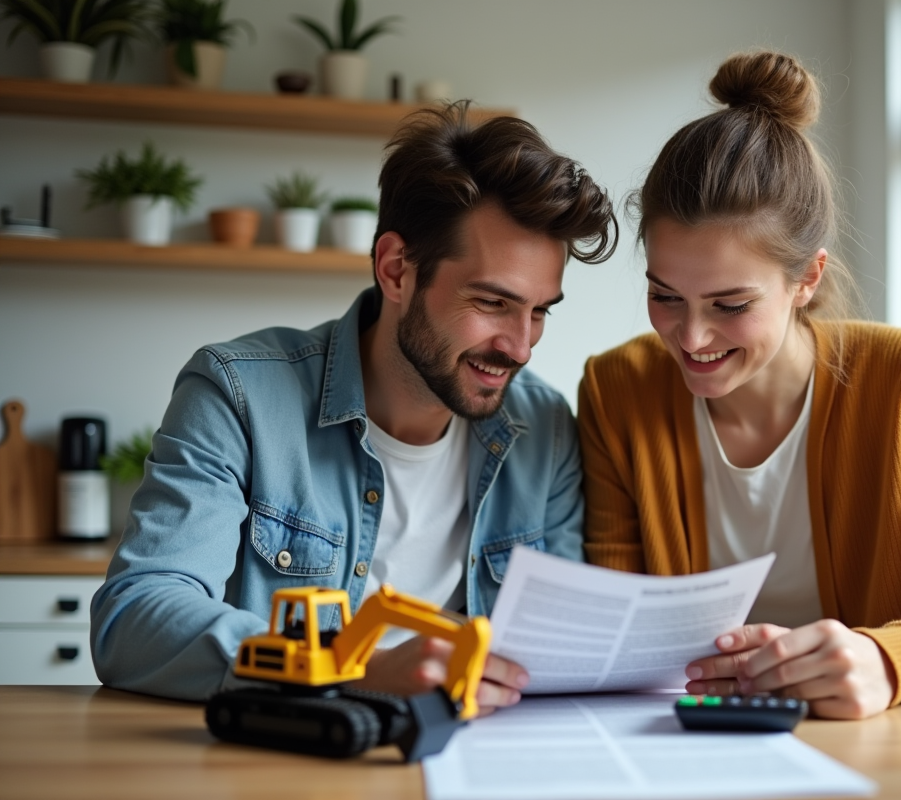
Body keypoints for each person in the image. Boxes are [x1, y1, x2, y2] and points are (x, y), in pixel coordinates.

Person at [577, 52, 901, 720]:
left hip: (879, 751)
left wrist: (886, 660)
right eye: (665, 296)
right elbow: (620, 631)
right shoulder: (617, 389)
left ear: (806, 279)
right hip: (688, 745)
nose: (690, 338)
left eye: (730, 305)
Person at [92, 102, 617, 710]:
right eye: (492, 303)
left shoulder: (544, 429)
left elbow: (559, 644)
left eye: (540, 311)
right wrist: (348, 670)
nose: (521, 347)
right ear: (396, 270)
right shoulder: (239, 396)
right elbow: (134, 619)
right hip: (284, 752)